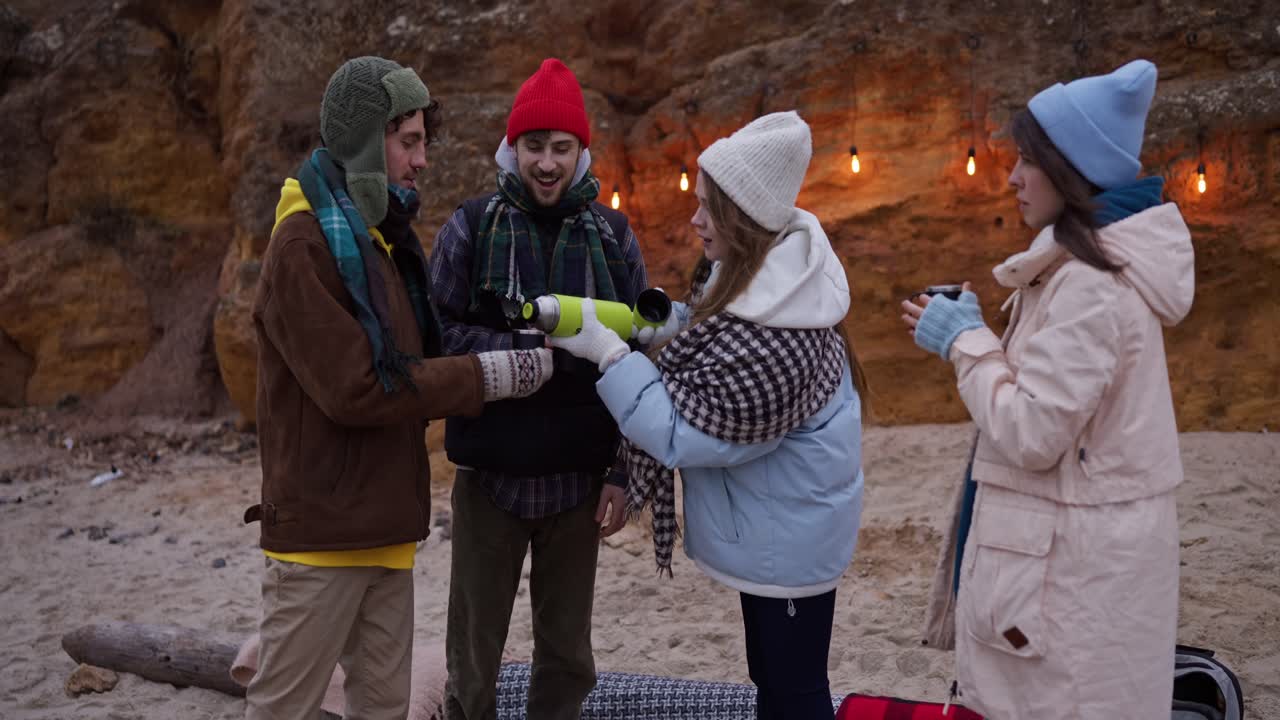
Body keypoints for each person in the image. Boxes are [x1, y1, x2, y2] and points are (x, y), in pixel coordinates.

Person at [244, 56, 553, 720]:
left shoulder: (380, 243)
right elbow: (356, 389)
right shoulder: (304, 247)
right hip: (320, 539)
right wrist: (489, 377)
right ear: (362, 139)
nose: (421, 161)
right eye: (408, 141)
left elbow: (424, 352)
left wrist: (515, 347)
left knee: (384, 708)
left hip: (385, 528)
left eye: (423, 143)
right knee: (283, 710)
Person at [549, 111, 868, 720]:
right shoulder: (765, 282)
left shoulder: (778, 340)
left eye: (706, 208)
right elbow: (711, 331)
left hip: (791, 540)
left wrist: (609, 354)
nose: (693, 220)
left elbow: (681, 433)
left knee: (795, 692)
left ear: (744, 218)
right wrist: (670, 324)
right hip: (781, 525)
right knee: (772, 678)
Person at [905, 59, 1193, 720]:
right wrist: (968, 336)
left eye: (1028, 160)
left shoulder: (1089, 283)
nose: (1011, 177)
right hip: (1078, 568)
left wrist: (965, 341)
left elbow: (1032, 433)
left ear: (1071, 167)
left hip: (1070, 582)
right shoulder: (1082, 269)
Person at [428, 58, 656, 720]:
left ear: (581, 152)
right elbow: (436, 334)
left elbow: (640, 353)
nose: (547, 163)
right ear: (513, 148)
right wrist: (515, 355)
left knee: (566, 656)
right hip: (489, 482)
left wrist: (622, 471)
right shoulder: (470, 227)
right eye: (535, 147)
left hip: (578, 489)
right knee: (474, 651)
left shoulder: (613, 238)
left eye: (561, 148)